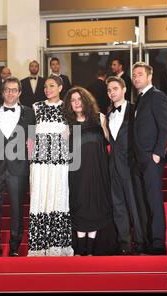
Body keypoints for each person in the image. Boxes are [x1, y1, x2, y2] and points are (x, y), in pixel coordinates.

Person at [63, 86, 117, 256]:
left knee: (96, 205)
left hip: (98, 171)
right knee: (80, 205)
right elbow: (65, 151)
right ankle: (80, 247)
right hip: (77, 174)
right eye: (73, 100)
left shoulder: (99, 118)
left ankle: (91, 248)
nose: (77, 103)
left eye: (79, 99)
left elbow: (111, 141)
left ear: (86, 101)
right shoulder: (68, 125)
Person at [0, 77, 35, 257]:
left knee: (17, 210)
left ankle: (15, 247)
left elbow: (34, 139)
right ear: (2, 92)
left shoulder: (30, 113)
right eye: (7, 89)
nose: (10, 93)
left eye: (14, 90)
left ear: (20, 92)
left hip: (19, 168)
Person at [28, 75, 73, 256]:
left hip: (60, 163)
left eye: (52, 86)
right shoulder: (36, 107)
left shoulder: (68, 108)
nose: (47, 89)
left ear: (60, 87)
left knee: (58, 198)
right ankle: (39, 246)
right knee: (40, 198)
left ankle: (57, 246)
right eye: (45, 86)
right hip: (39, 164)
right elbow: (30, 137)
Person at [132, 62, 167, 255]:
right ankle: (148, 242)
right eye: (134, 75)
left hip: (152, 158)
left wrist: (158, 153)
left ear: (149, 76)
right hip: (139, 159)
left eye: (139, 74)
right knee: (144, 202)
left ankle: (158, 244)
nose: (136, 77)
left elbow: (165, 126)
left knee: (154, 202)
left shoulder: (157, 96)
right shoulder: (139, 98)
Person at [105, 76, 147, 255]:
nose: (112, 92)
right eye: (109, 90)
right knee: (118, 207)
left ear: (123, 89)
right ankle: (124, 244)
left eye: (115, 88)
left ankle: (140, 243)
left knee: (135, 207)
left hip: (130, 166)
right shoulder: (107, 114)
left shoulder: (134, 109)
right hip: (113, 166)